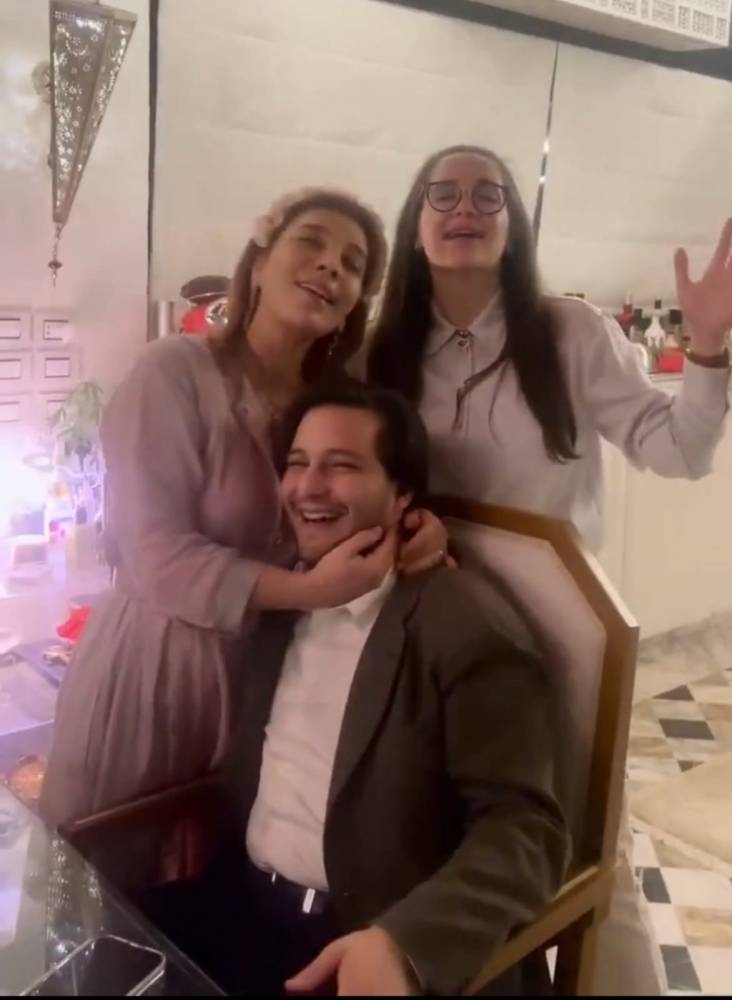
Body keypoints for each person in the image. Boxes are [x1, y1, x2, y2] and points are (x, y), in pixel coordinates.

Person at [367, 145, 732, 994]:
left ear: (515, 225)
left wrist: (708, 348)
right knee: (449, 849)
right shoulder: (382, 351)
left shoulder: (569, 332)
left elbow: (678, 451)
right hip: (422, 634)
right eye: (442, 194)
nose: (464, 208)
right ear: (415, 226)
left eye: (487, 195)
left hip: (551, 644)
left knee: (584, 846)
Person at [39, 188, 446, 832]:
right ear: (258, 263)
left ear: (354, 303)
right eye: (310, 241)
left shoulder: (331, 407)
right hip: (153, 670)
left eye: (353, 264)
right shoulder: (174, 372)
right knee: (110, 865)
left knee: (220, 869)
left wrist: (414, 524)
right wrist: (308, 591)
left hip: (269, 683)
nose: (331, 266)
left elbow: (362, 499)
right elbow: (153, 554)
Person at [146, 380, 570, 996]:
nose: (308, 487)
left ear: (402, 496)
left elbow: (527, 830)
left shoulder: (464, 627)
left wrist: (405, 944)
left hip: (353, 941)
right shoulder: (285, 598)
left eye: (341, 466)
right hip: (240, 907)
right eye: (297, 464)